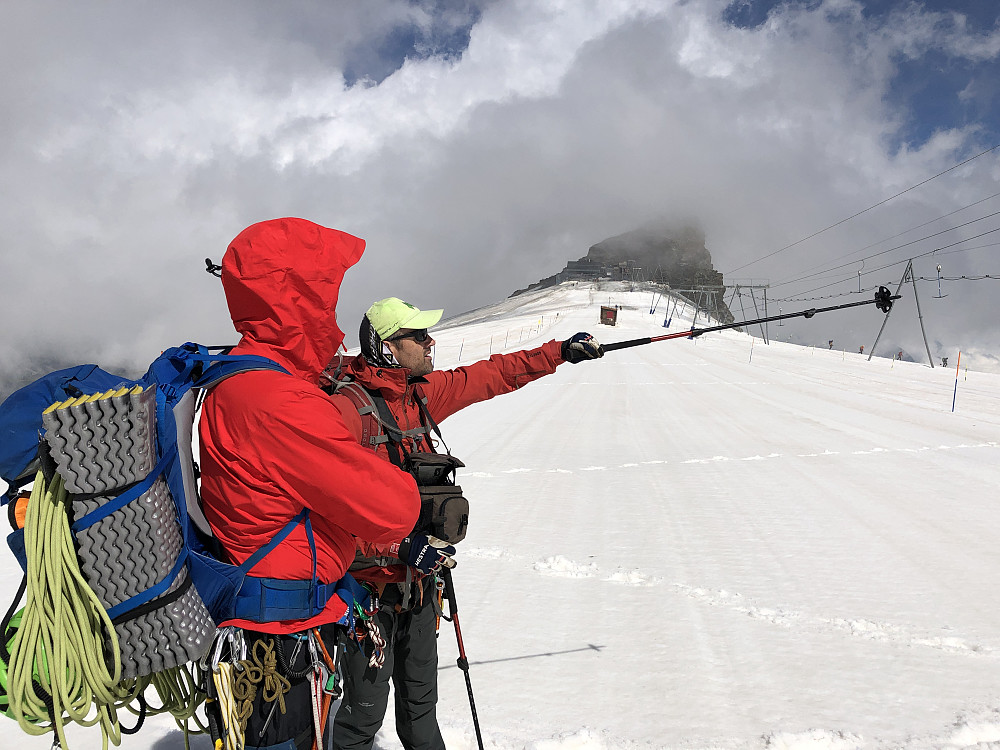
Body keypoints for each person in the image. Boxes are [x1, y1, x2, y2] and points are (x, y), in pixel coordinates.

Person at [326, 297, 605, 750]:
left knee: (420, 710)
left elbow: (489, 375)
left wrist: (559, 353)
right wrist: (396, 547)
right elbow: (328, 503)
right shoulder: (346, 411)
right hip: (366, 594)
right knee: (362, 718)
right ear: (387, 347)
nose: (429, 340)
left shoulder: (421, 394)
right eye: (417, 336)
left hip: (419, 587)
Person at [198, 219, 423, 750]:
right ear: (297, 300)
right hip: (277, 636)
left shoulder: (245, 378)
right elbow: (390, 510)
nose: (335, 322)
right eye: (326, 298)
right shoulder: (278, 400)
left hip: (276, 619)